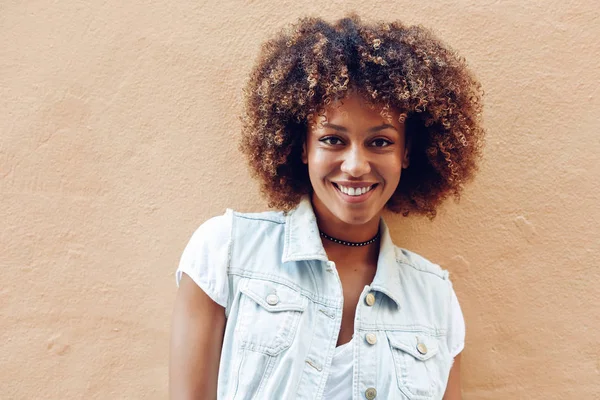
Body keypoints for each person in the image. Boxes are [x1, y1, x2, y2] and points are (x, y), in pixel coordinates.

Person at [169, 14, 484, 400]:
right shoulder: (227, 252)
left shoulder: (435, 298)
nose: (355, 166)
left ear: (407, 153)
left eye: (380, 142)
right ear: (302, 147)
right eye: (333, 139)